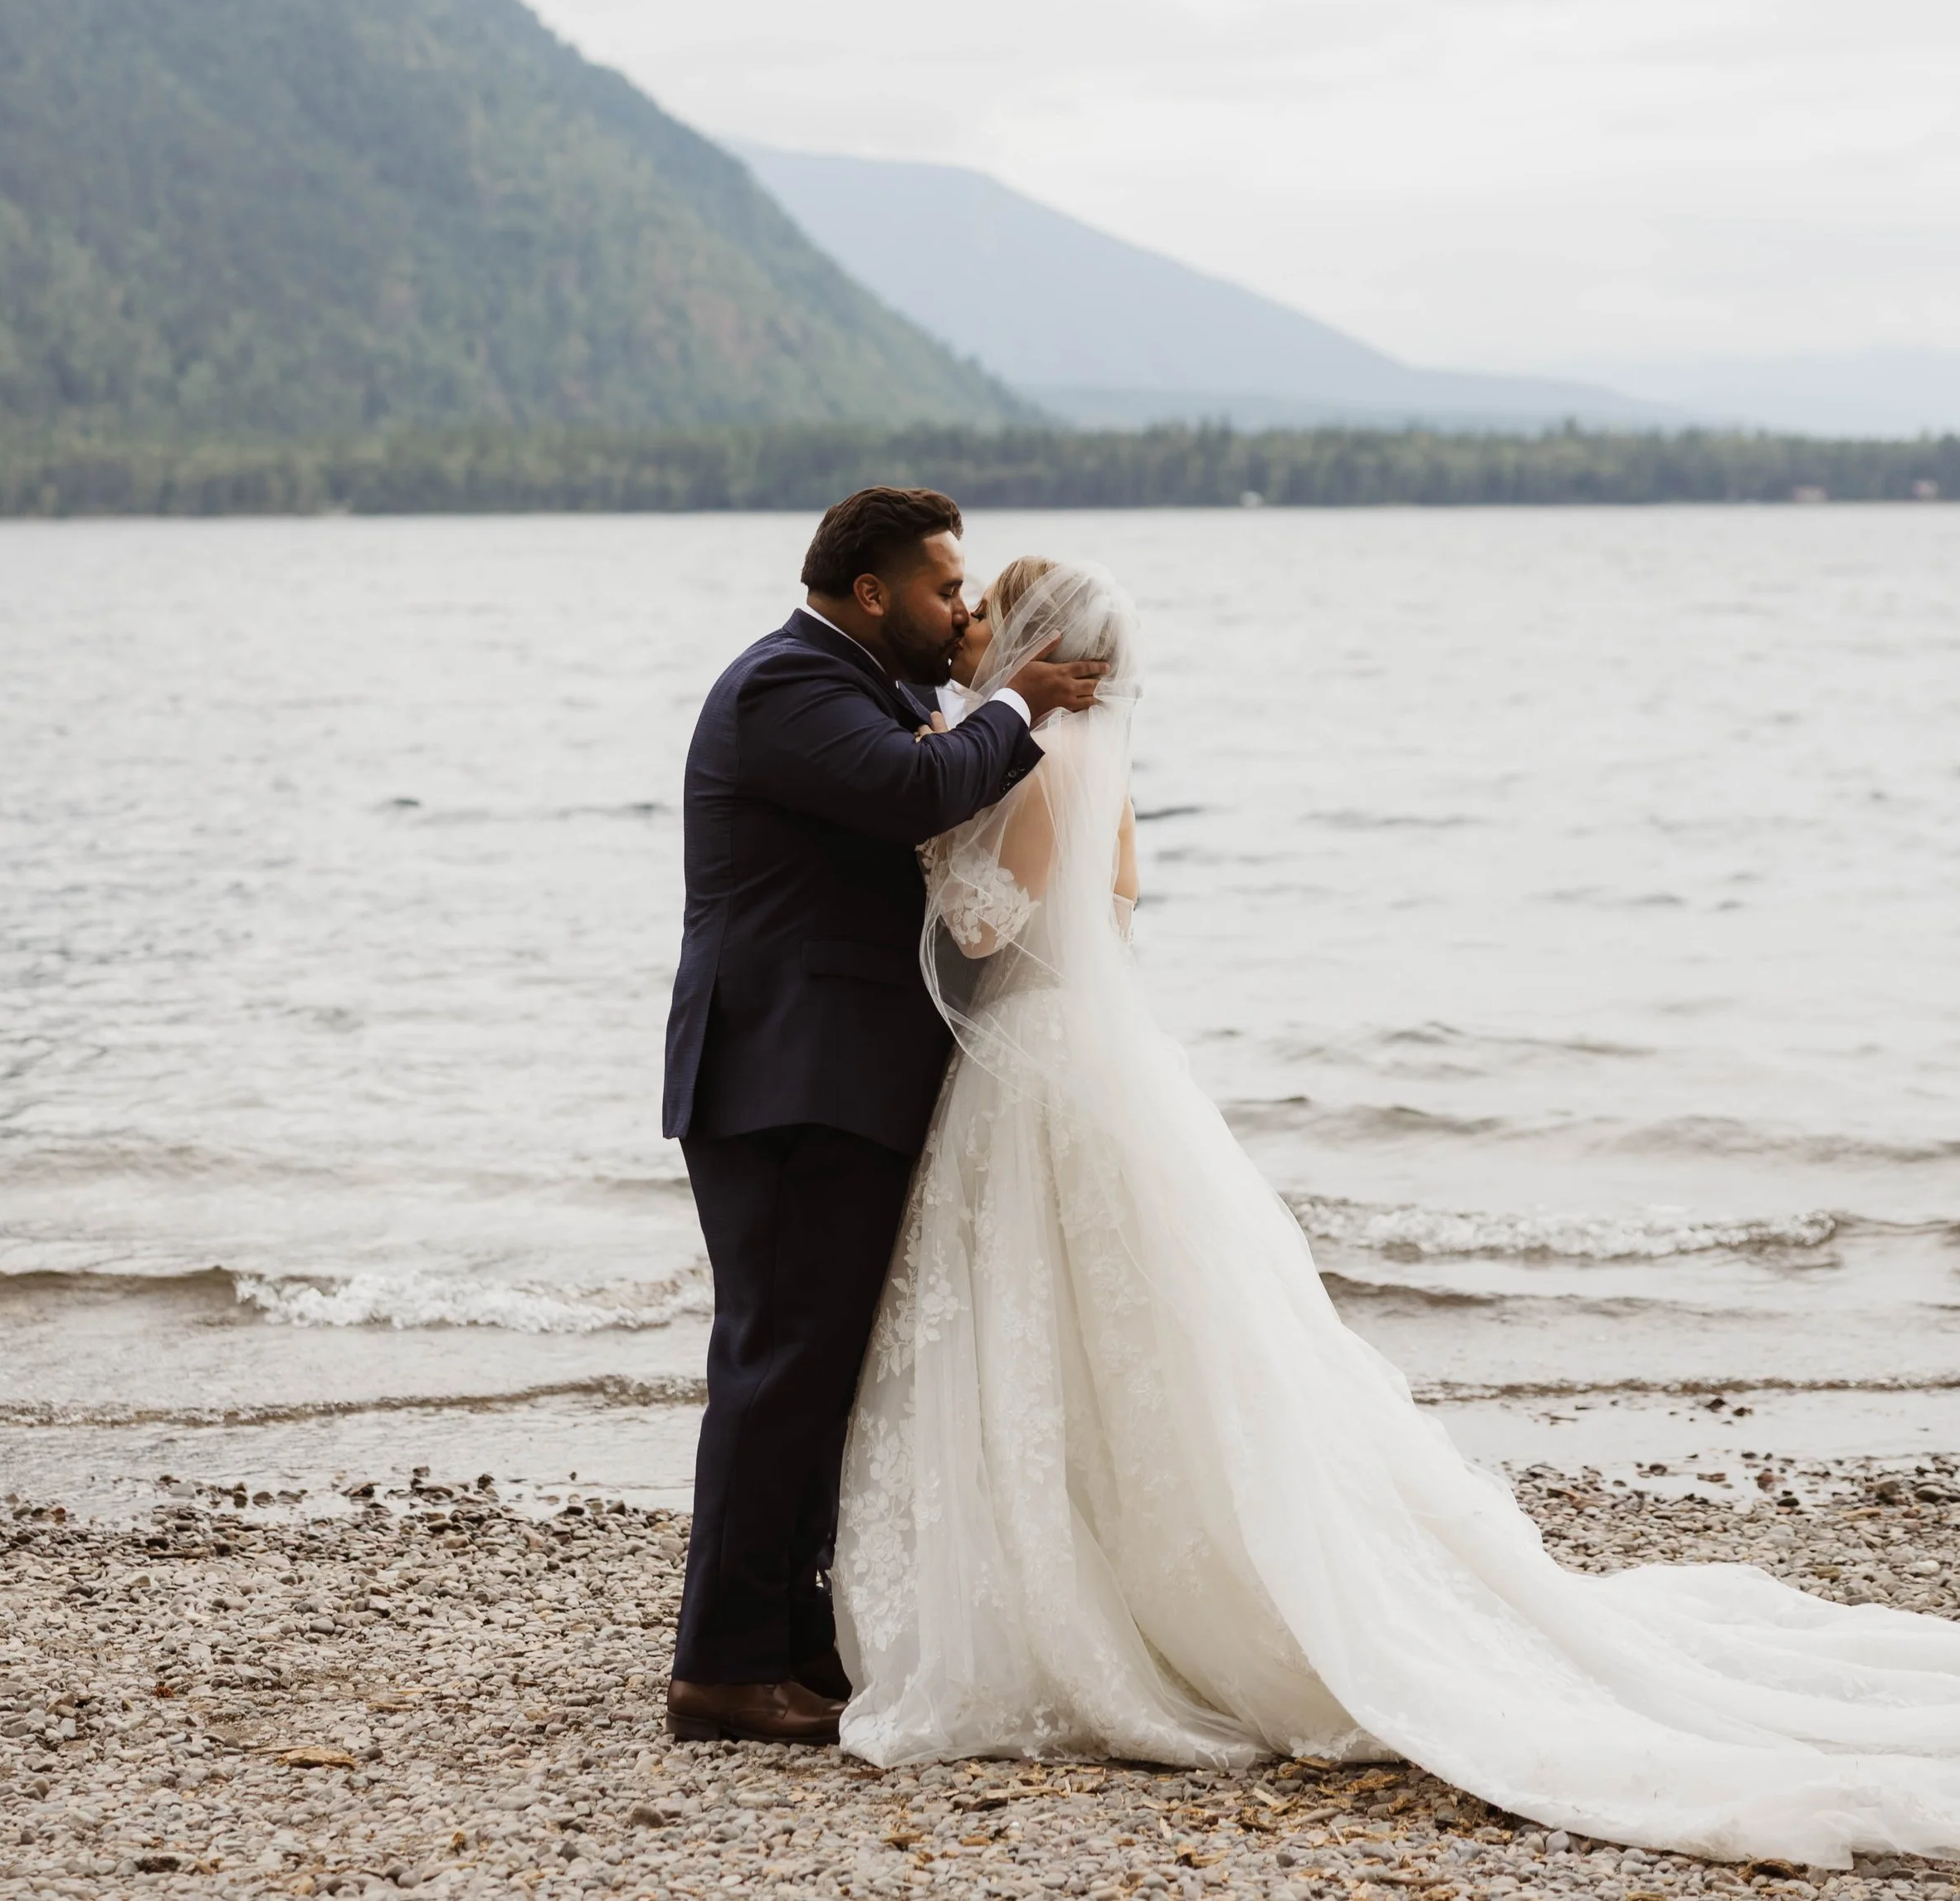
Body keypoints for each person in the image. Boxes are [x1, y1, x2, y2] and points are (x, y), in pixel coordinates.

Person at [831, 558, 1960, 1869]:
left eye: (986, 608)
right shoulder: (1101, 756)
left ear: (1033, 638)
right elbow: (1115, 908)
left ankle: (1112, 1595)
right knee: (1137, 1332)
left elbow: (977, 926)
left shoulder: (1029, 760)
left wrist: (926, 821)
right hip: (1101, 1051)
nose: (967, 626)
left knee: (1056, 1329)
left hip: (1038, 1068)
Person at [661, 488, 1106, 1746]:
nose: (961, 609)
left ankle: (794, 1642)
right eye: (943, 588)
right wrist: (1023, 700)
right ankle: (724, 1666)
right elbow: (916, 792)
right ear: (872, 591)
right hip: (785, 1079)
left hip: (842, 1079)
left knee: (820, 1372)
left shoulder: (877, 689)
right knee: (778, 1365)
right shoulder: (788, 686)